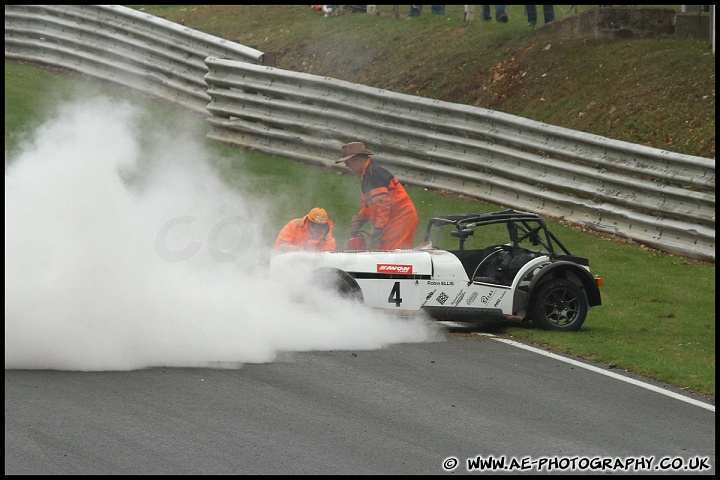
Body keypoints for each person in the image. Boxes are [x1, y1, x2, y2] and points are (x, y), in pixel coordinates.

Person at [335, 142, 419, 250]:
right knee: (382, 254)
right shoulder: (367, 173)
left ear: (356, 158)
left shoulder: (372, 173)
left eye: (347, 162)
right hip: (393, 218)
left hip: (400, 218)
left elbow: (383, 204)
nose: (346, 165)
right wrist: (360, 219)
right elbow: (370, 203)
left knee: (389, 256)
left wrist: (378, 230)